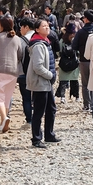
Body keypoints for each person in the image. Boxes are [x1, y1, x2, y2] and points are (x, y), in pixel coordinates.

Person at [0, 16, 24, 133]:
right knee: (7, 96)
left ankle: (4, 117)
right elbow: (20, 55)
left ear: (1, 25)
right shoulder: (17, 39)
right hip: (13, 71)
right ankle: (3, 122)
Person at [27, 19, 60, 148]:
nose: (47, 28)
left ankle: (49, 134)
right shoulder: (38, 45)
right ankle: (36, 138)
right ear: (37, 29)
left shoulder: (46, 43)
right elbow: (38, 66)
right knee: (39, 111)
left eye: (48, 25)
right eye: (44, 26)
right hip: (40, 82)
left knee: (51, 108)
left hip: (46, 82)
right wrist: (50, 75)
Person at [72, 9, 93, 111]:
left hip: (84, 60)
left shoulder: (81, 32)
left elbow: (74, 46)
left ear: (86, 19)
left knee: (85, 83)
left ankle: (87, 105)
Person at [55, 23, 80, 104]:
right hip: (74, 62)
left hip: (64, 63)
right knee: (74, 80)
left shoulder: (62, 40)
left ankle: (62, 97)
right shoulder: (76, 40)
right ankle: (76, 96)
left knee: (63, 80)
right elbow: (78, 51)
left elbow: (58, 51)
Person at [17, 16, 34, 123]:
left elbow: (18, 57)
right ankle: (38, 117)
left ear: (26, 27)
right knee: (37, 97)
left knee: (26, 98)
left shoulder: (20, 41)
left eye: (21, 27)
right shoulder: (40, 37)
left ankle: (29, 119)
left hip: (24, 72)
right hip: (38, 73)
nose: (20, 30)